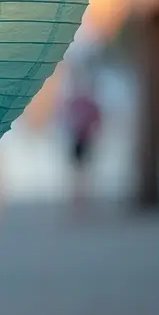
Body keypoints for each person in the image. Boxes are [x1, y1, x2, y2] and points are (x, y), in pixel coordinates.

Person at [63, 73, 102, 213]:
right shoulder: (74, 103)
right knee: (76, 170)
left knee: (84, 170)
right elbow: (66, 120)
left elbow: (97, 120)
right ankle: (77, 197)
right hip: (76, 139)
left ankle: (82, 197)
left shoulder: (87, 103)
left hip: (85, 139)